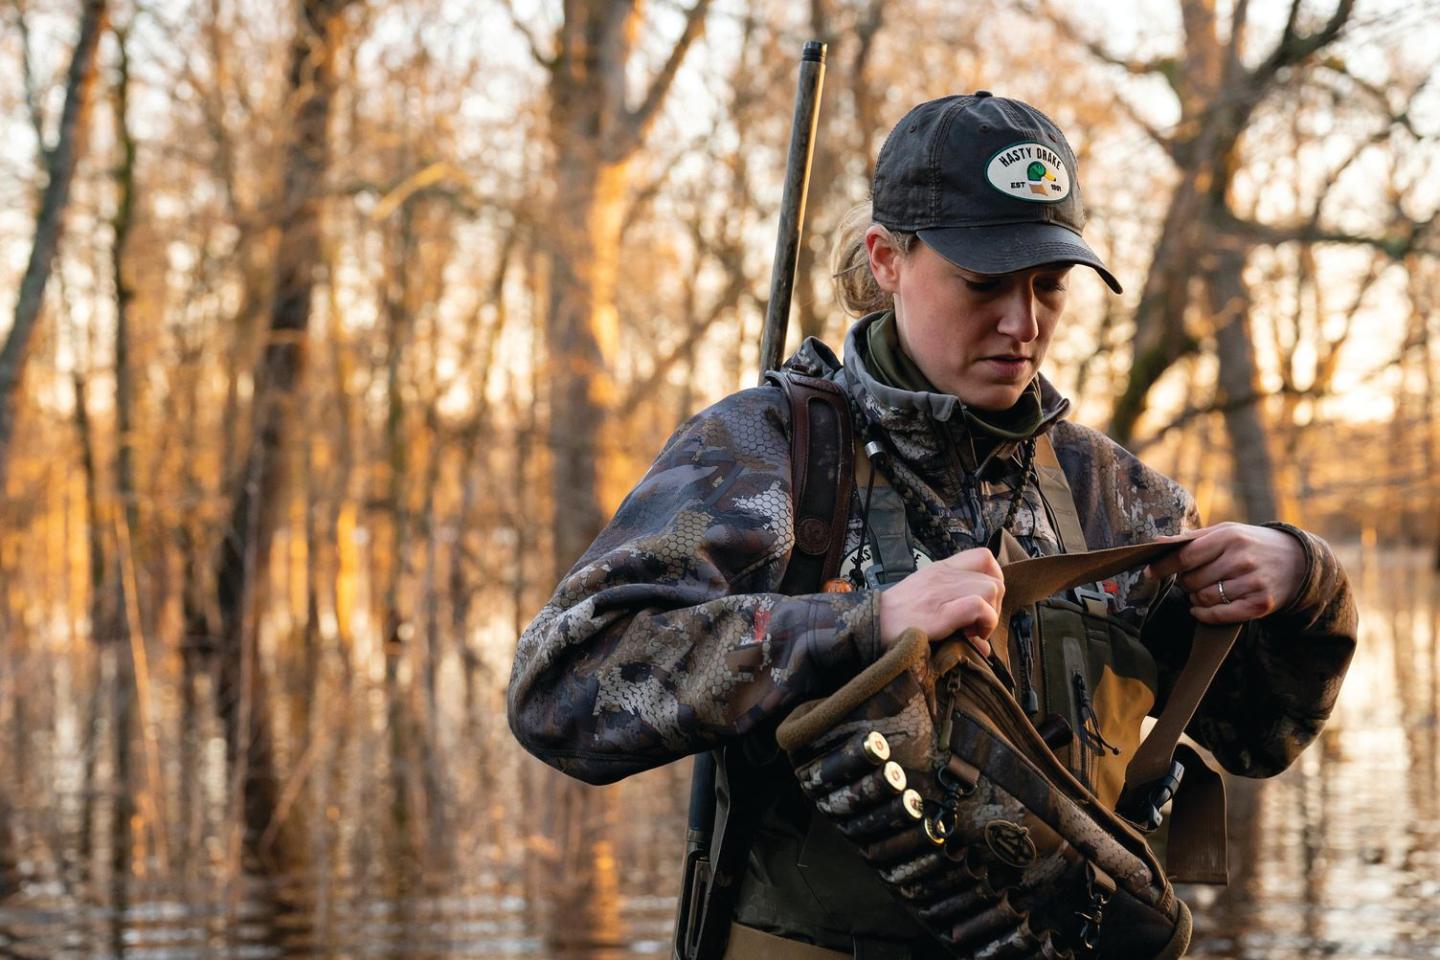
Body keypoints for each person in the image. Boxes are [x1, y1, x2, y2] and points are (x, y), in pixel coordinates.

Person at [508, 93, 1356, 958]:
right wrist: (862, 626)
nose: (1023, 325)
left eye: (1049, 287)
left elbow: (1256, 737)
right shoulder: (759, 458)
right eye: (983, 283)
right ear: (887, 259)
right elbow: (562, 692)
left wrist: (1301, 583)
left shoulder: (1118, 495)